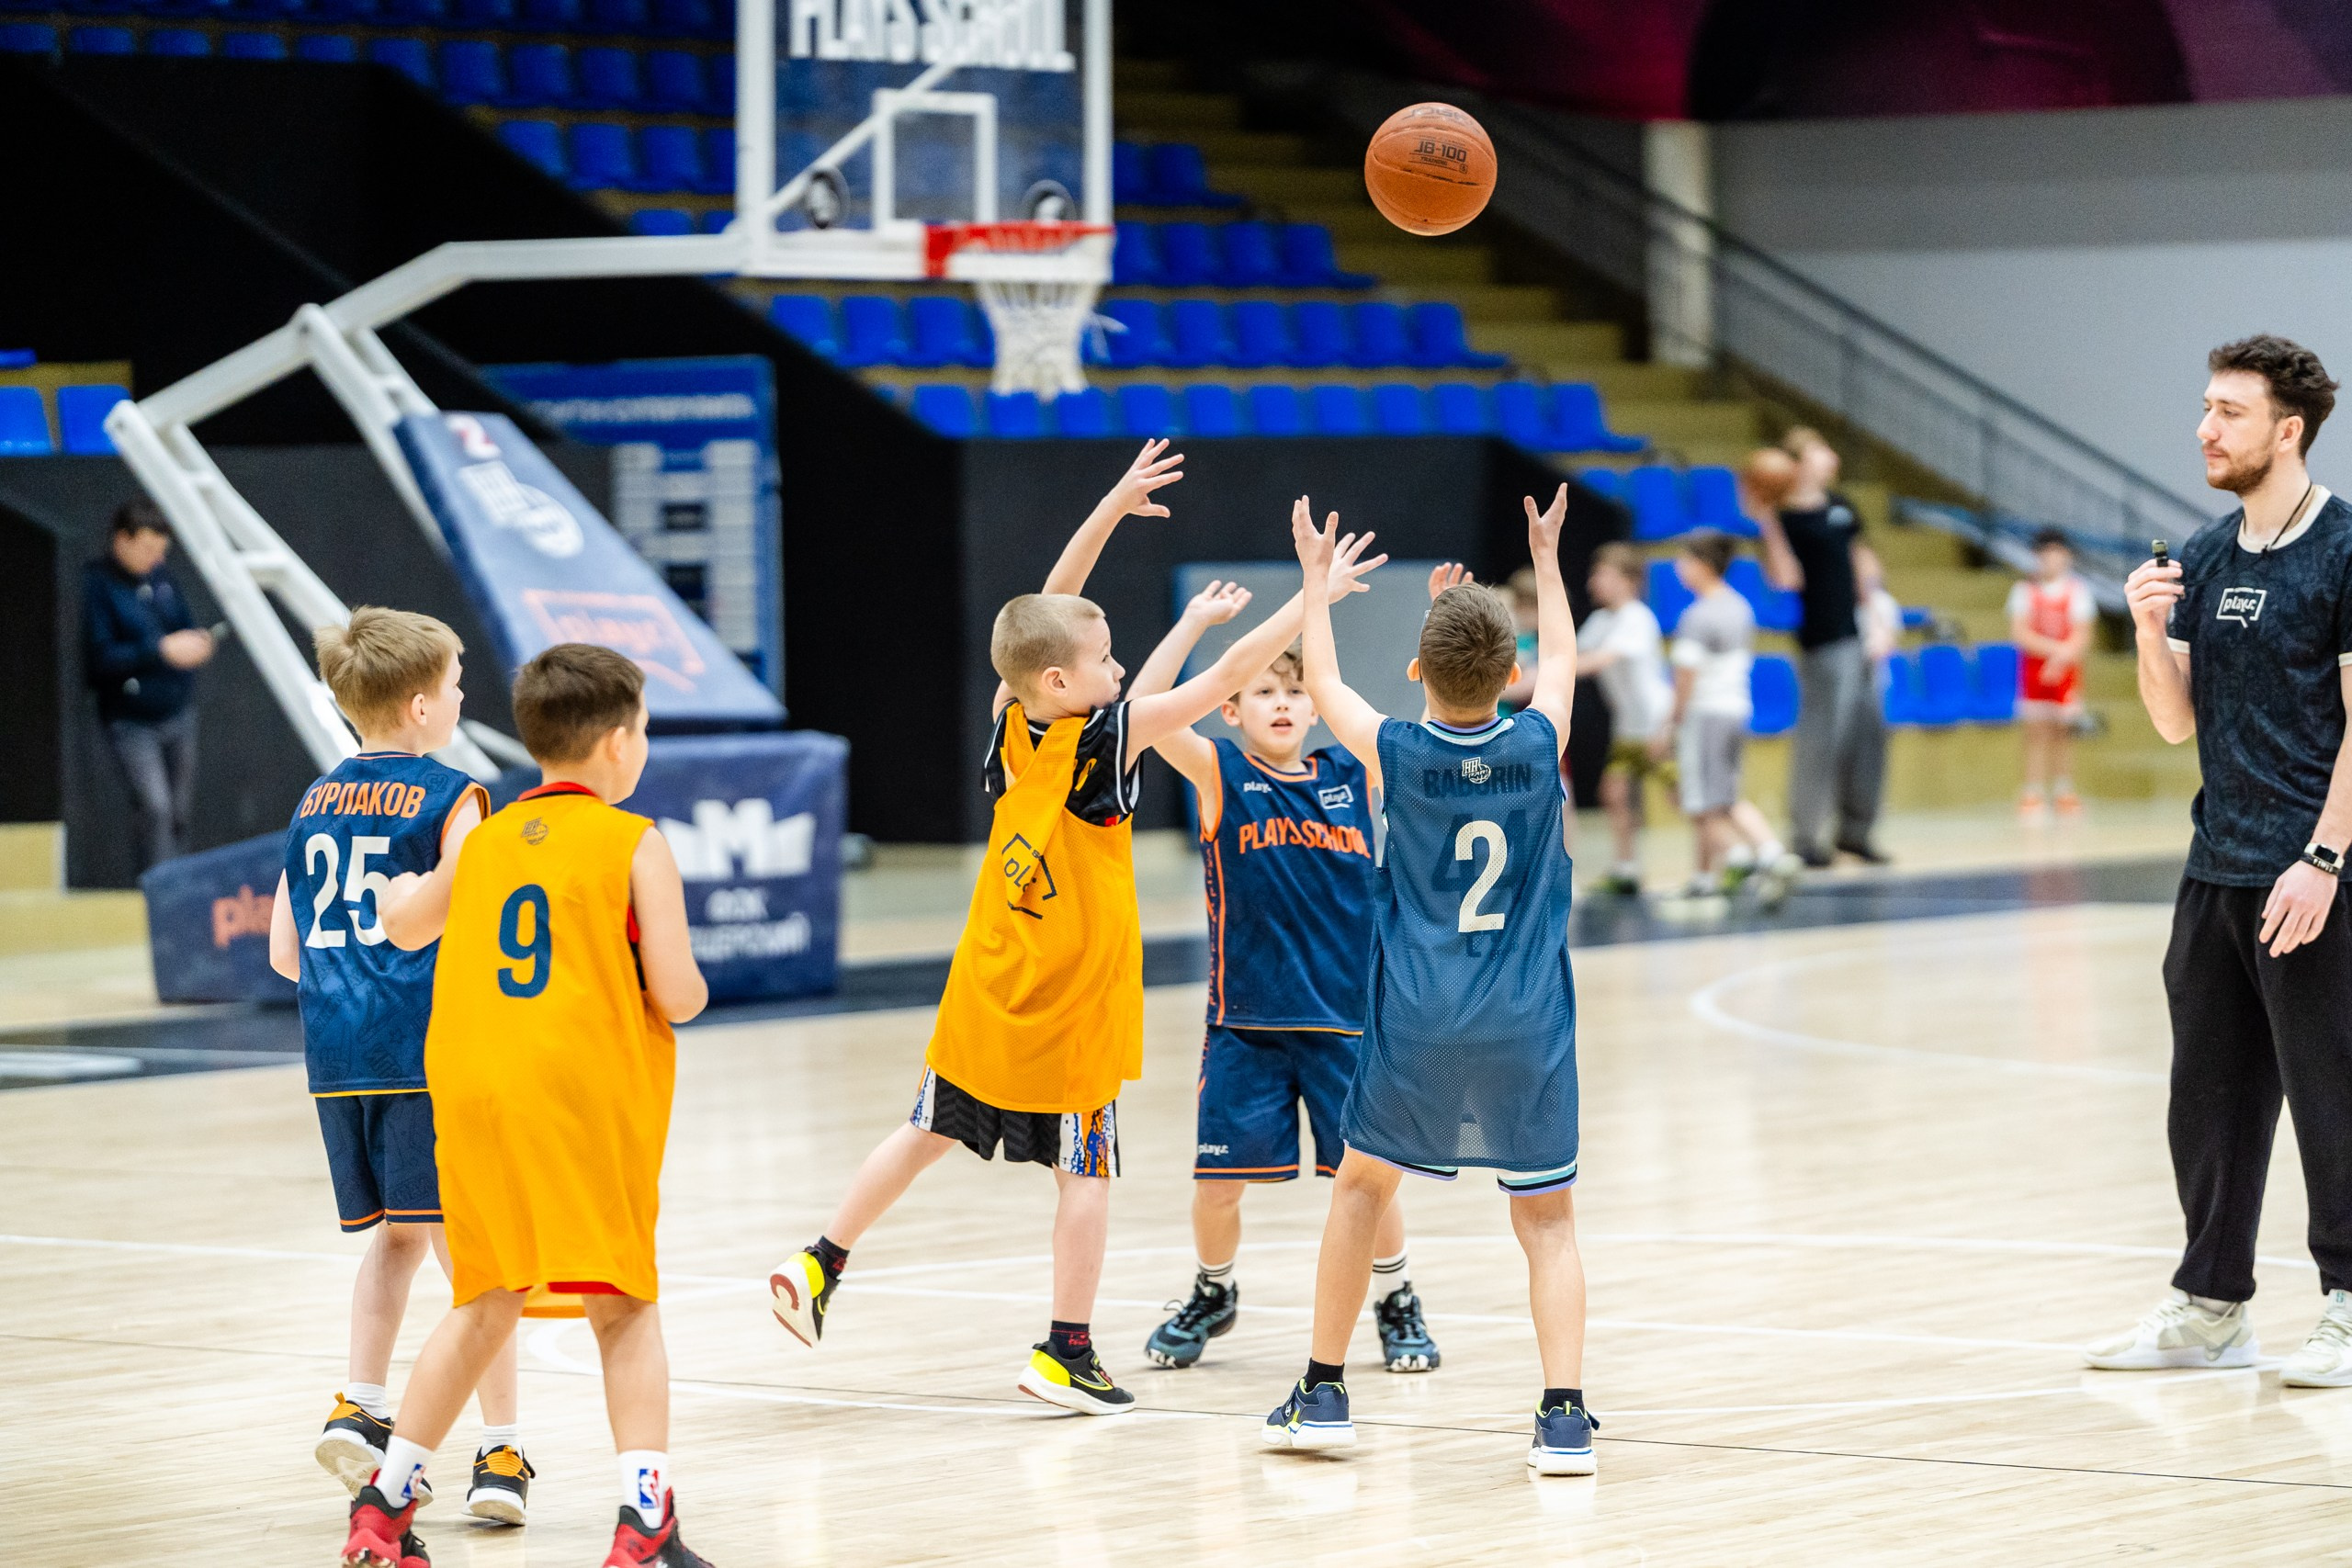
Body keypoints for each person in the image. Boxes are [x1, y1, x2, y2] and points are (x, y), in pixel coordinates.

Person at [764, 444, 1385, 1416]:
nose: (1117, 666)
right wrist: (1311, 598)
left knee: (927, 1127)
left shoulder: (1018, 715)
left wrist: (1107, 509)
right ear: (1062, 681)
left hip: (989, 978)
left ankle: (819, 1259)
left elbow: (1047, 613)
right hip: (1065, 998)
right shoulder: (1105, 739)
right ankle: (1066, 1350)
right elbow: (1225, 670)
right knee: (1083, 1168)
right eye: (1103, 662)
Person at [337, 643, 713, 1568]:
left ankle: (383, 1509)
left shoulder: (485, 837)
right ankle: (643, 1519)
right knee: (622, 1303)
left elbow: (404, 922)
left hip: (472, 1094)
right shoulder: (634, 842)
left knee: (483, 1298)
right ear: (621, 743)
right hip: (579, 1093)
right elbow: (677, 994)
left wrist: (390, 890)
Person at [1263, 485, 1597, 1477]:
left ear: (1415, 674)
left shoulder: (1395, 752)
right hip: (1527, 1022)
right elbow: (1566, 660)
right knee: (1547, 1222)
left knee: (1360, 1190)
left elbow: (1323, 682)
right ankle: (1565, 1417)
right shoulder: (1540, 743)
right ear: (1513, 673)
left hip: (1416, 1017)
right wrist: (1543, 557)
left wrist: (1316, 585)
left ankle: (1323, 1391)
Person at [2091, 333, 2352, 1390]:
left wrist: (2325, 858)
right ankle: (2210, 1305)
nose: (2205, 428)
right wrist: (2150, 632)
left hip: (2316, 873)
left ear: (2286, 431)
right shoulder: (2199, 555)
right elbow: (2170, 724)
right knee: (2207, 1096)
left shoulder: (2342, 549)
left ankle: (2347, 1305)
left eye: (2229, 413)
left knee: (2332, 1094)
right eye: (2205, 407)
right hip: (2216, 871)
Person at [1123, 580, 1437, 1375]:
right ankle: (1213, 1287)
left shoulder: (1357, 774)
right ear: (1232, 708)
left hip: (1348, 1023)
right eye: (1265, 691)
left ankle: (1396, 1296)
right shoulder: (1219, 772)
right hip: (1246, 1024)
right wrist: (1195, 622)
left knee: (1372, 1187)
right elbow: (1144, 707)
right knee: (1217, 1185)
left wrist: (1440, 620)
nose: (1285, 703)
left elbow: (1440, 724)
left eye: (1297, 690)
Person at [266, 609, 531, 1528]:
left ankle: (362, 1400)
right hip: (426, 1050)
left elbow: (283, 954)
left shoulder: (311, 800)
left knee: (398, 1241)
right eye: (457, 684)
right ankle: (499, 1452)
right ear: (421, 706)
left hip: (336, 1055)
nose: (463, 697)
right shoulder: (453, 797)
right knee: (480, 1259)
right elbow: (476, 918)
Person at [1753, 433, 1888, 866]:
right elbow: (1785, 579)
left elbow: (1862, 563)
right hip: (1823, 642)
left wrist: (1879, 619)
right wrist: (1767, 521)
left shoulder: (1840, 505)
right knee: (1822, 740)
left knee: (1869, 735)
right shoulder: (1785, 519)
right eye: (1819, 449)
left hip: (1859, 633)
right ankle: (1807, 837)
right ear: (1797, 463)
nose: (1831, 455)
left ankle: (1855, 831)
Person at [1657, 532, 1794, 900]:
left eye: (1684, 560)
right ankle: (1708, 876)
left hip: (1706, 715)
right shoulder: (1740, 607)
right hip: (1737, 709)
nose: (1678, 569)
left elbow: (1686, 679)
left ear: (1703, 565)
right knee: (1726, 797)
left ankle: (1755, 857)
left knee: (1700, 802)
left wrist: (1671, 723)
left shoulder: (1697, 616)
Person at [85, 499, 213, 869]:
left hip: (177, 712)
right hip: (131, 721)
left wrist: (195, 644)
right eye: (147, 549)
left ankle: (176, 893)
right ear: (121, 540)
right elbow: (101, 657)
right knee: (154, 808)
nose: (155, 559)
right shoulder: (97, 584)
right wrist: (160, 650)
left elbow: (183, 625)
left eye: (161, 551)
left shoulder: (162, 578)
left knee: (177, 813)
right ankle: (158, 899)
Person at [1576, 543, 1675, 894]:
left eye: (1603, 574)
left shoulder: (1636, 618)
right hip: (1628, 729)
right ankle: (1627, 867)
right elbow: (1571, 651)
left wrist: (1548, 674)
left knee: (1687, 797)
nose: (1593, 582)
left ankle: (1747, 852)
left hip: (1657, 725)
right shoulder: (1602, 620)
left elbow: (1599, 660)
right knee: (1613, 792)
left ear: (1628, 580)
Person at [2007, 527, 2097, 818]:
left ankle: (2063, 790)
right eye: (2045, 554)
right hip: (2033, 673)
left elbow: (2082, 636)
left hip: (2065, 675)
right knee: (2035, 733)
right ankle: (2032, 791)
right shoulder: (2024, 591)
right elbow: (2020, 632)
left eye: (2057, 554)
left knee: (2063, 733)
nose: (2051, 560)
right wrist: (2053, 652)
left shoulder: (2078, 592)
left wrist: (2060, 660)